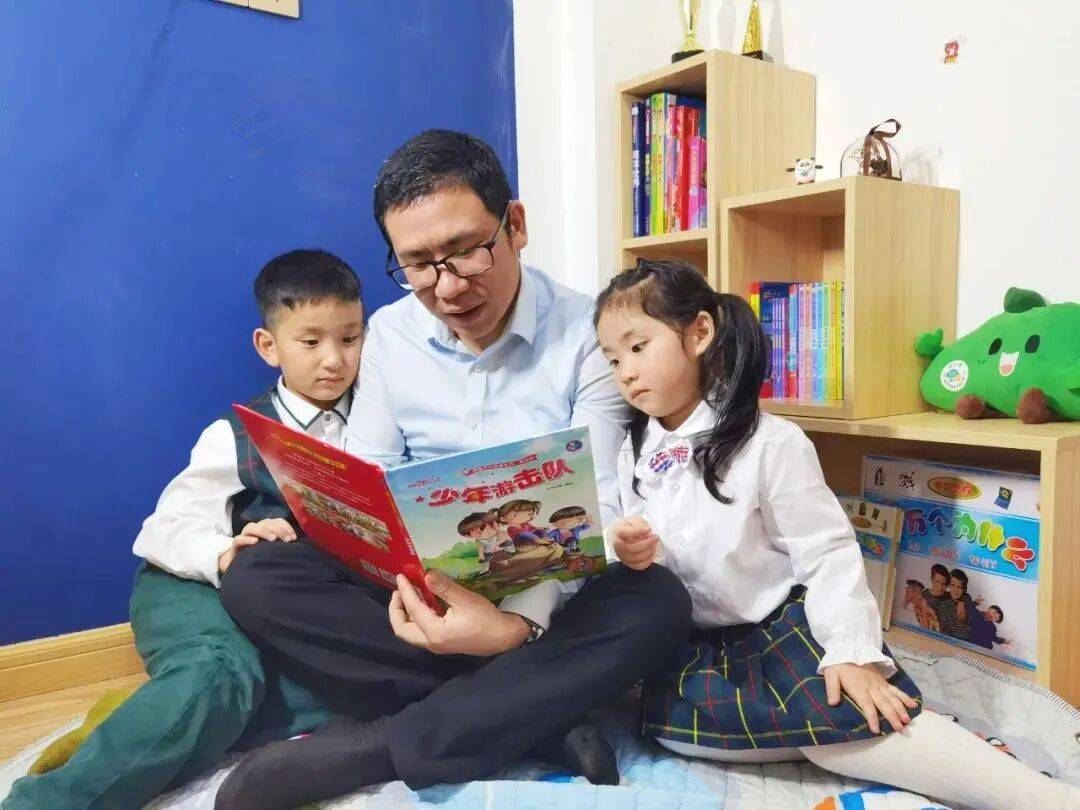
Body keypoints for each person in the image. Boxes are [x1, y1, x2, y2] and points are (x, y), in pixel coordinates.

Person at [212, 130, 691, 809]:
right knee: (256, 577)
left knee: (658, 600)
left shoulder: (591, 333)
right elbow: (371, 478)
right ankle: (538, 716)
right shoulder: (389, 336)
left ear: (515, 225)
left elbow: (601, 505)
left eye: (467, 250)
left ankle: (382, 746)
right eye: (417, 264)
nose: (447, 286)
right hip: (420, 589)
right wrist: (365, 548)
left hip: (550, 593)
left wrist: (515, 628)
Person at [594, 259, 1080, 810]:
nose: (625, 373)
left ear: (699, 332)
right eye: (613, 359)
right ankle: (818, 734)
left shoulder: (770, 442)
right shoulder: (635, 450)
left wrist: (851, 652)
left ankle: (1048, 799)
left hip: (778, 624)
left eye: (638, 347)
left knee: (853, 717)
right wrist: (629, 547)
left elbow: (827, 552)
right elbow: (643, 543)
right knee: (671, 734)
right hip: (697, 643)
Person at [2, 251, 365, 810]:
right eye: (311, 342)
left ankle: (163, 723)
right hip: (189, 582)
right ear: (269, 346)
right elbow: (163, 530)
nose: (334, 360)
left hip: (286, 600)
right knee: (221, 675)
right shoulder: (237, 434)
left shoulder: (377, 418)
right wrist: (224, 551)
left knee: (349, 681)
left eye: (350, 338)